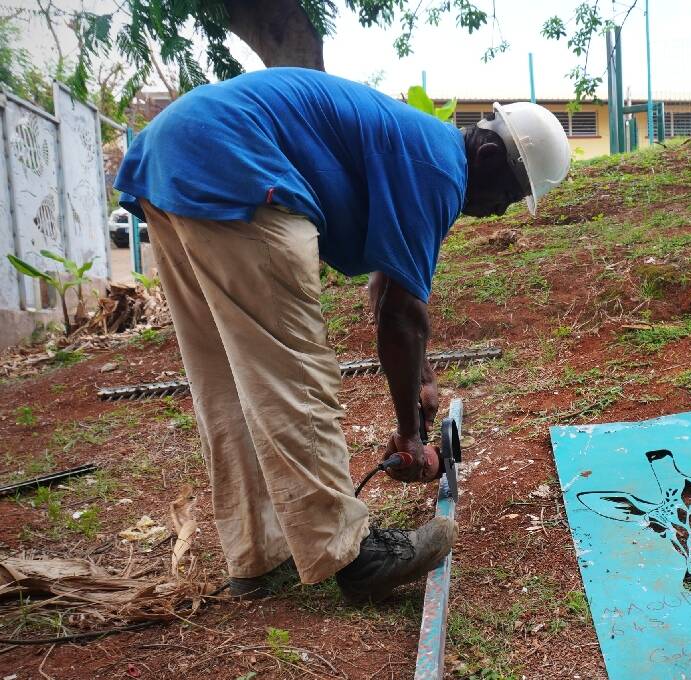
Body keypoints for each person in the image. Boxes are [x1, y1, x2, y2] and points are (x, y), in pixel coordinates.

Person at [114, 67, 570, 601]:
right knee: (296, 372)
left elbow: (387, 289)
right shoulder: (442, 171)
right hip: (239, 165)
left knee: (228, 381)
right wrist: (411, 436)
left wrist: (422, 381)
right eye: (509, 197)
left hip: (179, 158)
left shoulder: (418, 147)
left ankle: (258, 553)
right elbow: (401, 317)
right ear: (489, 159)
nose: (498, 211)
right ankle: (351, 553)